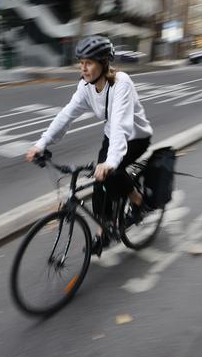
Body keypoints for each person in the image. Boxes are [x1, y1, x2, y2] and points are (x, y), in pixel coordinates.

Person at [26, 35, 153, 255]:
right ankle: (103, 232)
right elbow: (66, 115)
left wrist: (111, 163)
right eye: (81, 62)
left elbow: (121, 125)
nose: (83, 68)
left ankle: (139, 201)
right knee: (99, 183)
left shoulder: (120, 83)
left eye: (89, 63)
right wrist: (42, 143)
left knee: (112, 173)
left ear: (104, 63)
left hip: (135, 137)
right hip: (112, 135)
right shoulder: (85, 86)